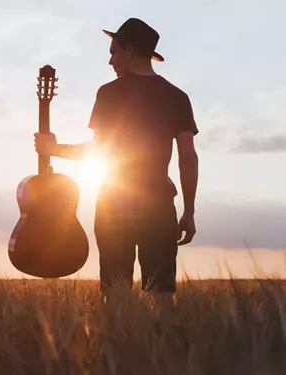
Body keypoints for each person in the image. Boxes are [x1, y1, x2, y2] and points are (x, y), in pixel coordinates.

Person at [34, 18, 199, 303]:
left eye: (114, 52)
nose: (110, 61)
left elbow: (99, 150)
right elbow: (188, 157)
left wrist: (54, 149)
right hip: (159, 205)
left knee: (116, 297)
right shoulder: (177, 97)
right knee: (161, 297)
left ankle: (117, 348)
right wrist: (189, 211)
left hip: (114, 205)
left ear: (131, 50)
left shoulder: (108, 94)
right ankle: (163, 349)